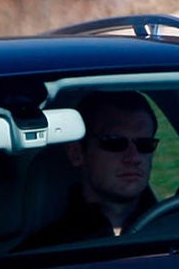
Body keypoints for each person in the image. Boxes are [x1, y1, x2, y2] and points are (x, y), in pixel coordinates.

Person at [17, 91, 161, 251]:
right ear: (76, 153)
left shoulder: (177, 231)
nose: (134, 157)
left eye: (145, 144)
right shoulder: (43, 253)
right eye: (115, 143)